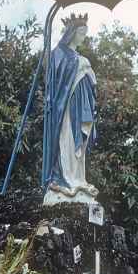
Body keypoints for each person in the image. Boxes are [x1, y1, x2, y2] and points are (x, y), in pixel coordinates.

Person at [42, 12, 98, 203]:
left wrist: (88, 73)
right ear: (72, 32)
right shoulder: (59, 53)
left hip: (81, 105)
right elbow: (55, 82)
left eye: (85, 33)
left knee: (79, 145)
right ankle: (65, 179)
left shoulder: (78, 56)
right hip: (66, 107)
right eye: (81, 33)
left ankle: (78, 179)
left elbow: (91, 82)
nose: (83, 37)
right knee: (66, 140)